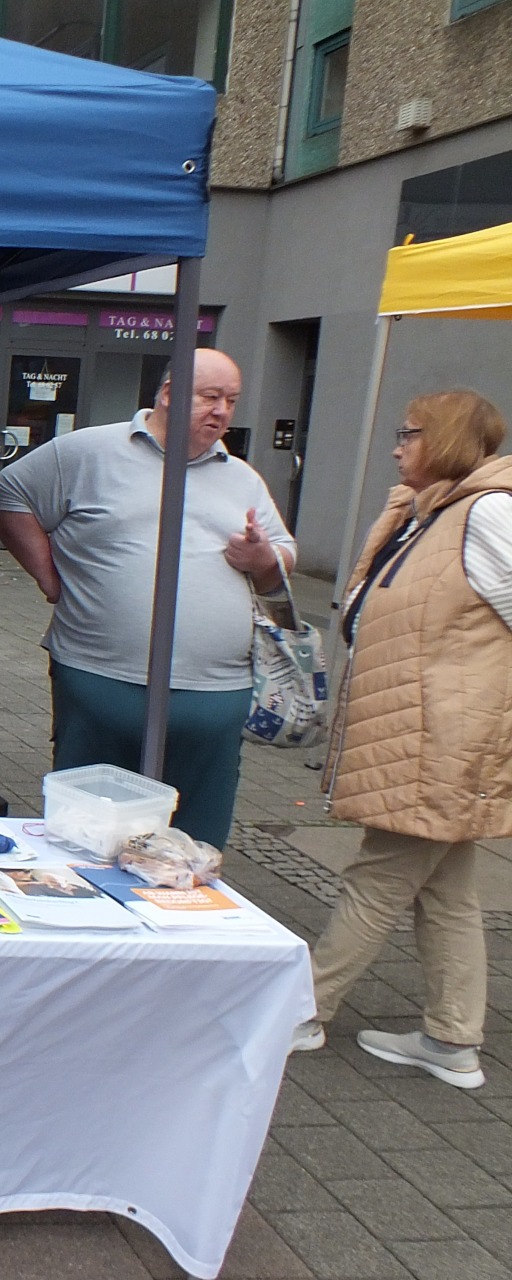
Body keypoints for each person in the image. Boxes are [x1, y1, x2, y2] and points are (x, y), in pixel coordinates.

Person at [0, 349, 295, 848]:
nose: (222, 412)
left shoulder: (242, 477)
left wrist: (262, 558)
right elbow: (7, 495)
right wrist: (47, 576)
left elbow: (283, 554)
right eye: (210, 397)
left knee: (195, 846)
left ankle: (180, 921)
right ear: (169, 394)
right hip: (101, 680)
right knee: (87, 836)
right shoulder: (88, 452)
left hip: (215, 695)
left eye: (231, 401)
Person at [292, 390, 512, 1088]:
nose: (395, 446)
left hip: (440, 739)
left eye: (408, 433)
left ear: (442, 438)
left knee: (377, 877)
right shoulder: (434, 512)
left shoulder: (487, 514)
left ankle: (302, 1008)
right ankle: (451, 1039)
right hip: (422, 732)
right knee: (445, 890)